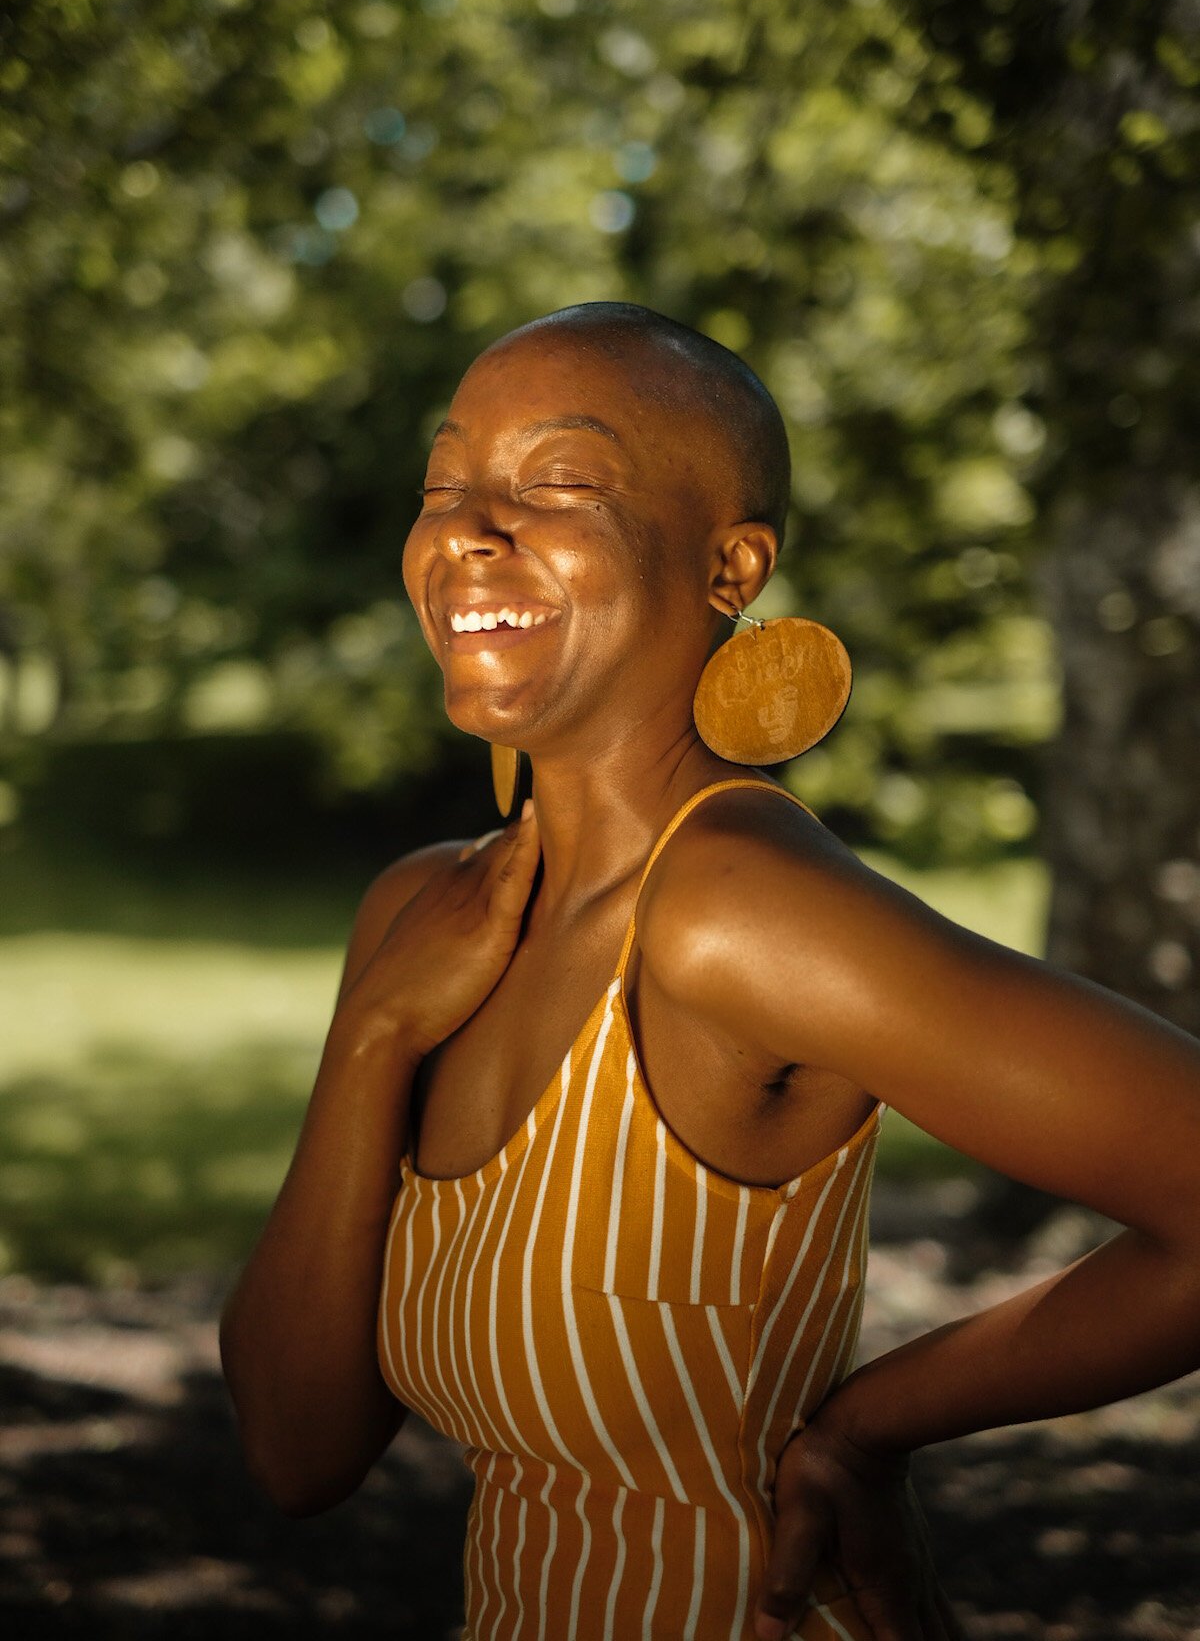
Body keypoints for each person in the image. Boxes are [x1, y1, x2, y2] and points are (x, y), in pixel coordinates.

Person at [219, 302, 1200, 1641]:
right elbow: (295, 1450)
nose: (469, 530)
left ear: (731, 568)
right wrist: (377, 1028)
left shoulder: (737, 911)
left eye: (557, 482)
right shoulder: (419, 910)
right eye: (446, 484)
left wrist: (866, 1426)